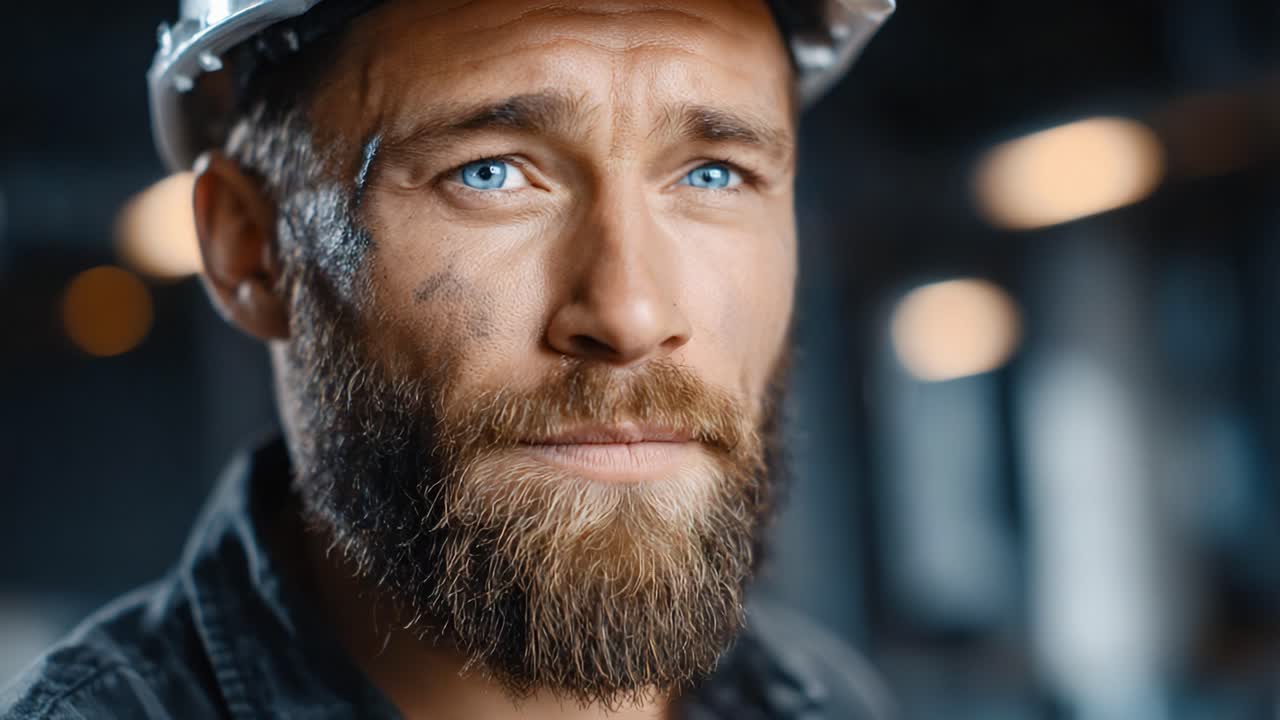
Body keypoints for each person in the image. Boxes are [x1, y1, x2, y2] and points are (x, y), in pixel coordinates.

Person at [1, 0, 894, 717]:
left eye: (713, 175)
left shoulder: (818, 694)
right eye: (491, 172)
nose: (629, 315)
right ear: (253, 249)